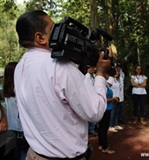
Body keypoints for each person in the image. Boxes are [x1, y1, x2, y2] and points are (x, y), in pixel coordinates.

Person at [14, 10, 112, 160]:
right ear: (40, 38)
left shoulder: (20, 66)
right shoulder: (60, 66)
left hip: (34, 155)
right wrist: (100, 73)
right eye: (53, 28)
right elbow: (95, 112)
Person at [2, 62, 29, 160]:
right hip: (22, 125)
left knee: (18, 147)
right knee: (25, 150)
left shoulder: (7, 89)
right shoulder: (19, 89)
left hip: (14, 125)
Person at [98, 72, 119, 155]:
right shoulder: (103, 86)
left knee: (101, 128)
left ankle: (100, 144)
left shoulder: (103, 85)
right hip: (106, 109)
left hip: (104, 109)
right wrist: (113, 99)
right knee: (104, 128)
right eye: (107, 74)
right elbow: (104, 99)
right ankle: (105, 147)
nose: (108, 76)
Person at [85, 65, 98, 136]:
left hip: (95, 97)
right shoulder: (86, 77)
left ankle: (92, 128)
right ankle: (90, 129)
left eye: (92, 67)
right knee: (90, 113)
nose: (92, 69)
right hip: (89, 98)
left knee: (94, 113)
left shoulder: (94, 76)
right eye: (90, 68)